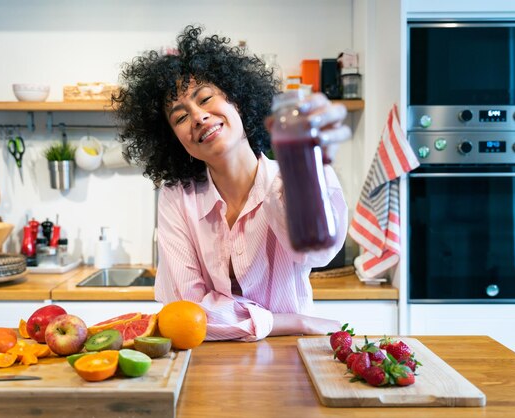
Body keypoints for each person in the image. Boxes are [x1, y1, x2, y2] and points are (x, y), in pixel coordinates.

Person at [113, 26, 351, 341]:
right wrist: (295, 322)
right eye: (181, 117)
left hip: (292, 357)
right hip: (214, 362)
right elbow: (187, 312)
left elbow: (318, 252)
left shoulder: (286, 179)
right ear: (174, 140)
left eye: (206, 98)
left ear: (236, 100)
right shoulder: (176, 197)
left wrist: (309, 167)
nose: (197, 117)